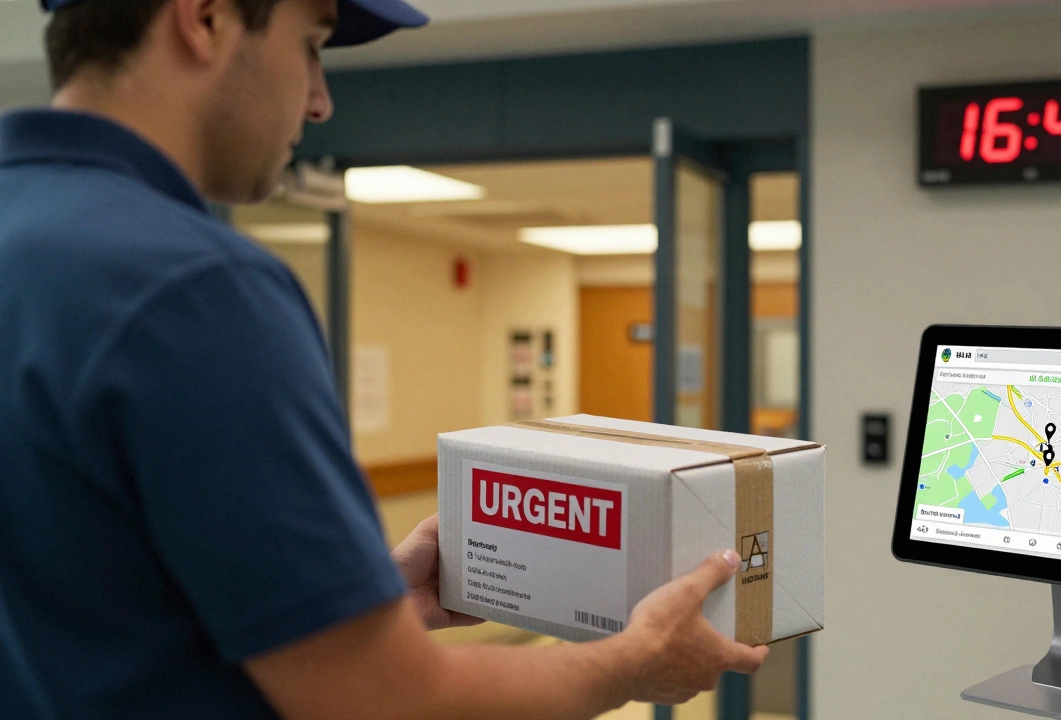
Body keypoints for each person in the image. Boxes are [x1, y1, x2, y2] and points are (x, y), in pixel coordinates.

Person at [0, 0, 769, 717]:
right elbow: (387, 703)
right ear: (204, 18)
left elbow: (93, 600)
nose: (319, 101)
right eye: (309, 46)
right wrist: (635, 662)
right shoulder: (194, 287)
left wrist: (361, 612)